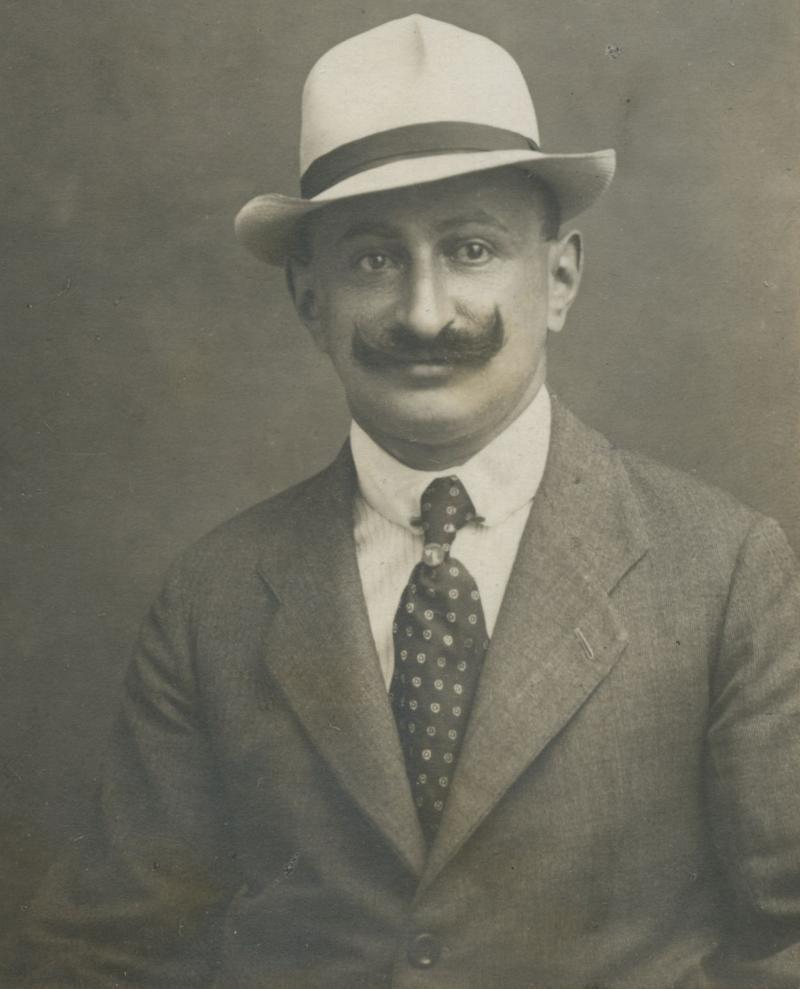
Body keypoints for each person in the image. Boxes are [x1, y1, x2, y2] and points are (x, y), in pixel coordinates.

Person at [19, 14, 800, 989]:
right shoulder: (213, 594)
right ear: (310, 299)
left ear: (556, 276)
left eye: (470, 248)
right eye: (374, 260)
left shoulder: (720, 570)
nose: (425, 313)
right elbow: (103, 952)